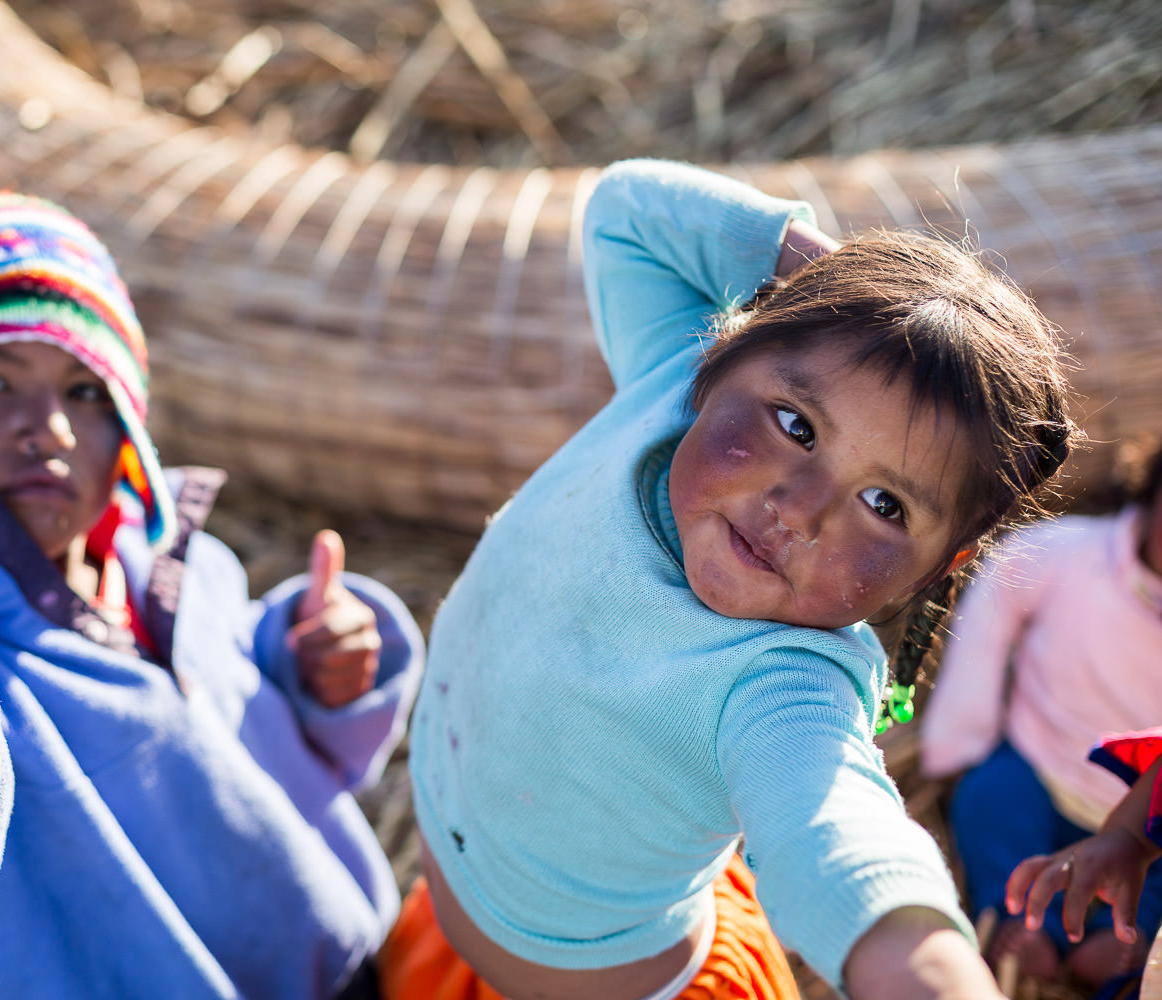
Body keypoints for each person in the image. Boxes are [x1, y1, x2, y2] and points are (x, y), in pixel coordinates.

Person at [388, 158, 1078, 1000]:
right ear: (722, 350)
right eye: (796, 424)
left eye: (883, 503)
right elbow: (626, 213)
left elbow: (837, 836)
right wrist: (826, 285)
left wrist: (933, 977)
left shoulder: (782, 685)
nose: (802, 509)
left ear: (940, 566)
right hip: (471, 887)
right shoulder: (667, 385)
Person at [0, 191, 425, 1000]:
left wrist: (311, 660)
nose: (52, 427)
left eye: (86, 391)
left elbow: (259, 709)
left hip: (360, 965)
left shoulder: (186, 569)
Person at [920, 444, 1162, 992]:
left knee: (1153, 882)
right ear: (1151, 493)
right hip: (1040, 766)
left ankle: (1126, 936)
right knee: (989, 801)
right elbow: (1000, 585)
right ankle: (1025, 926)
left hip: (1151, 812)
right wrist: (959, 737)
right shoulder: (1070, 555)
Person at [1005, 730, 1162, 990]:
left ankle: (1132, 928)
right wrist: (1130, 836)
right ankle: (1026, 919)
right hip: (1046, 767)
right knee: (989, 793)